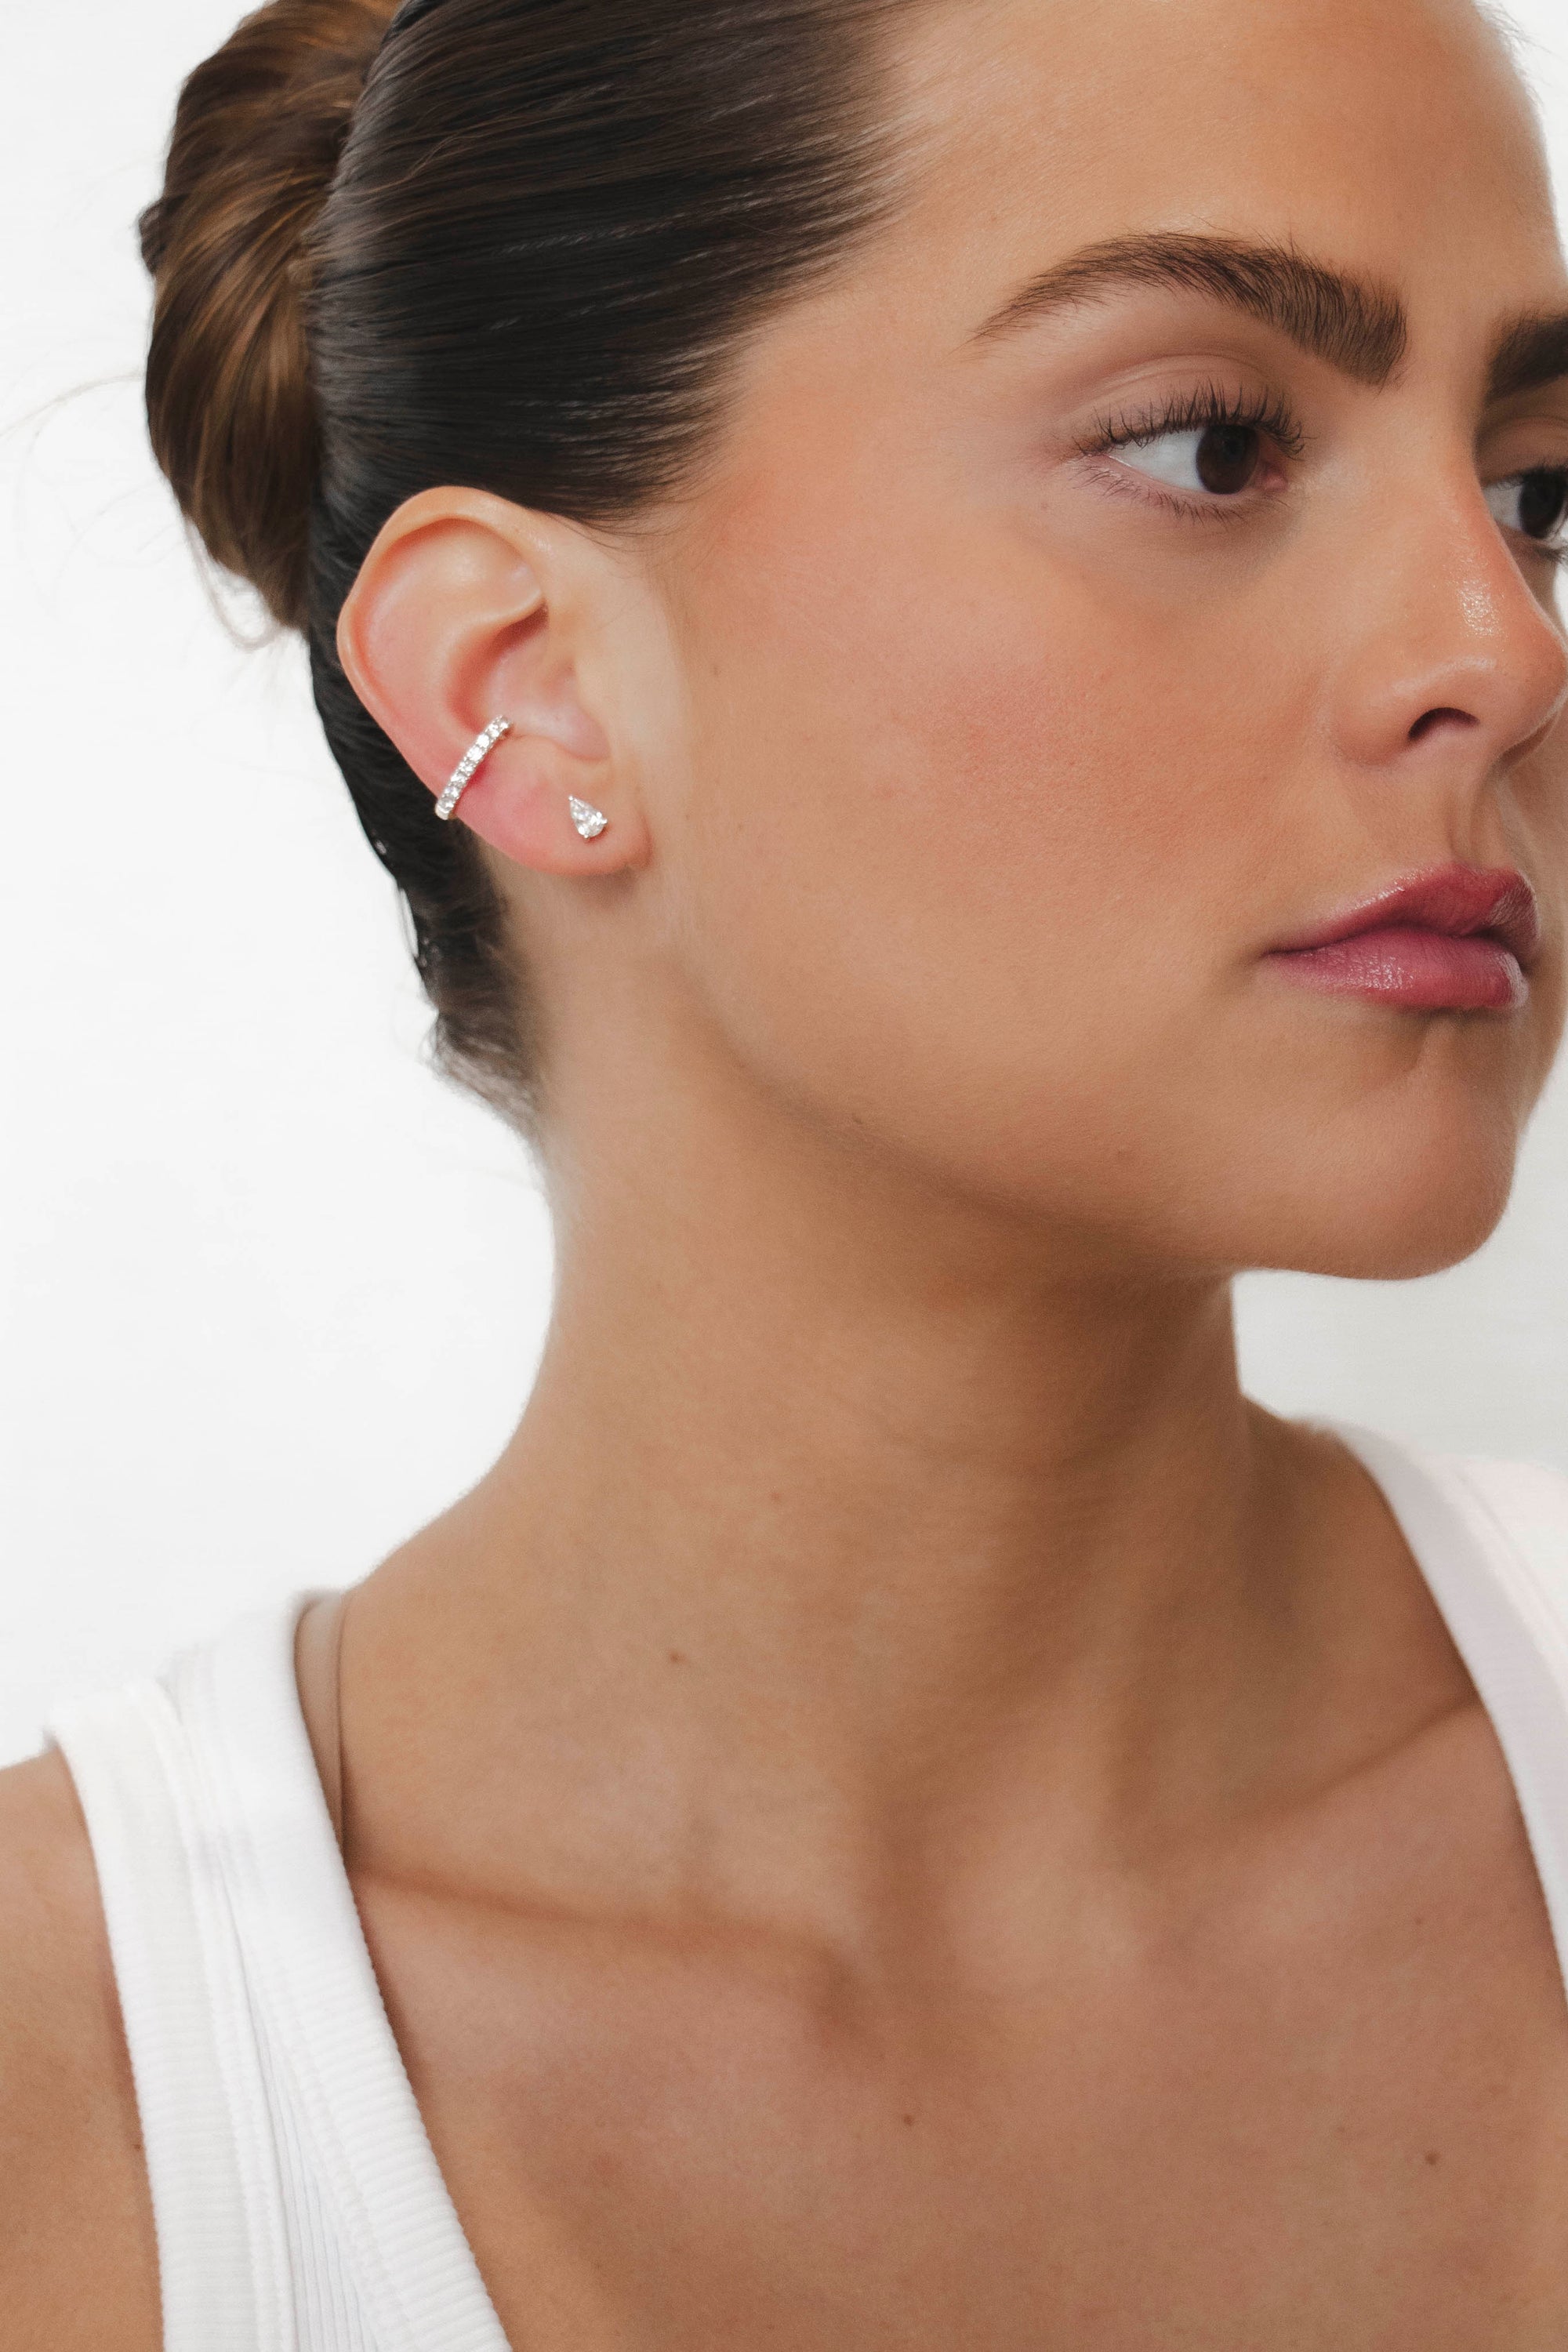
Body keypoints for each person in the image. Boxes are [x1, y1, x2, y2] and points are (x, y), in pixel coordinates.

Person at [6, 0, 1568, 2339]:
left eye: (1539, 491)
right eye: (1213, 445)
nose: (1503, 645)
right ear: (526, 681)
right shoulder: (61, 2118)